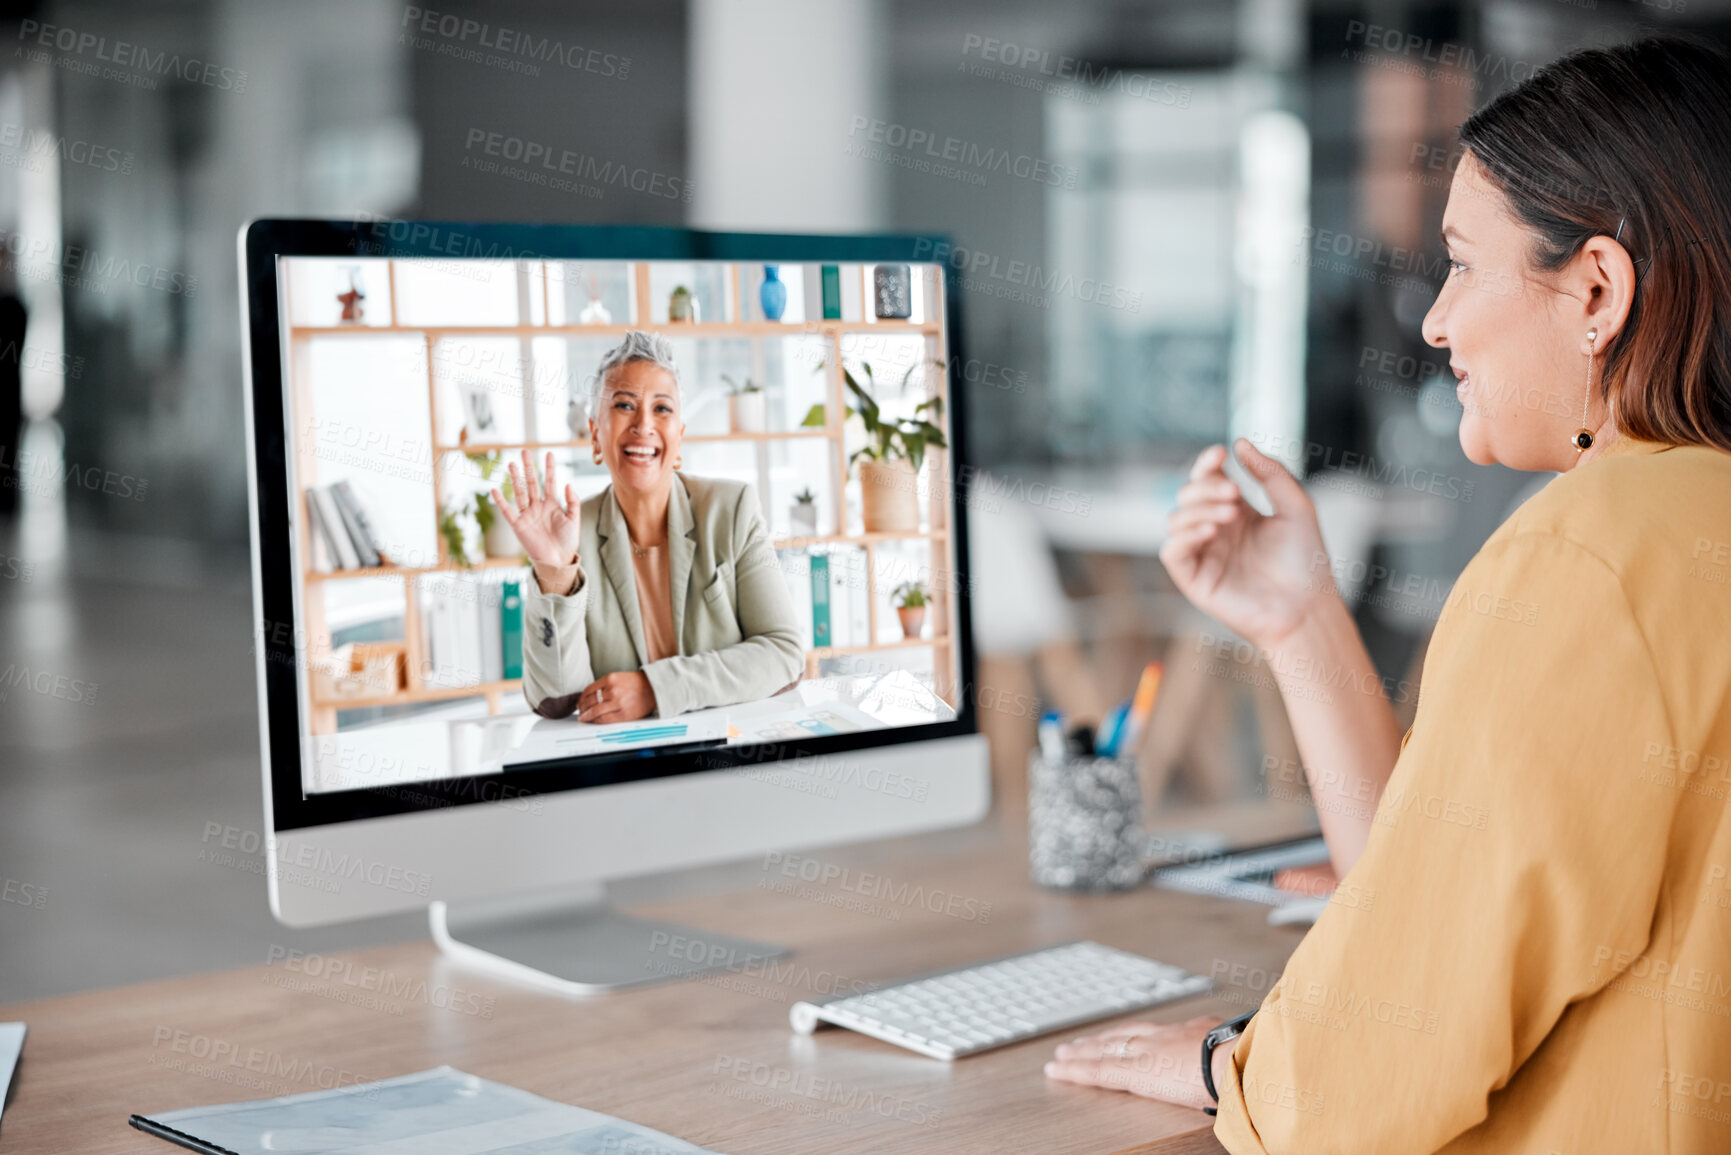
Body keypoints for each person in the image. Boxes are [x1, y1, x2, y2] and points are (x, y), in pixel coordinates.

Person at [1044, 37, 1731, 1153]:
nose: (1434, 321)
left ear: (1598, 288)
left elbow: (1379, 1069)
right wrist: (1304, 616)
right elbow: (1433, 920)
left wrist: (1235, 1067)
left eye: (1461, 263)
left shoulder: (1590, 559)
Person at [496, 331, 803, 723]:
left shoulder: (732, 509)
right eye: (624, 405)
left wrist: (654, 689)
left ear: (679, 437)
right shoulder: (570, 535)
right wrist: (555, 574)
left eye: (662, 409)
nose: (644, 425)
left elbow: (784, 653)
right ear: (594, 434)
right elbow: (554, 701)